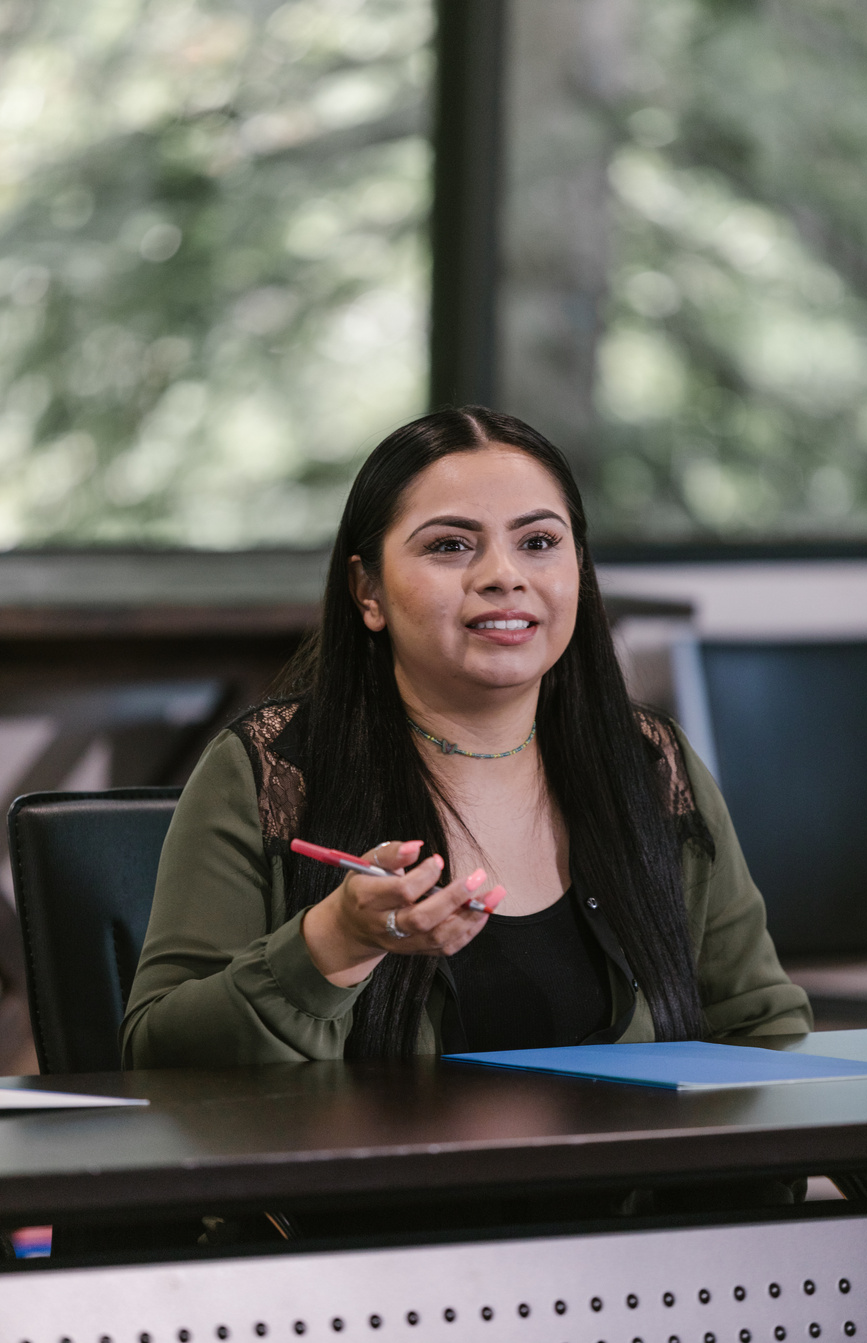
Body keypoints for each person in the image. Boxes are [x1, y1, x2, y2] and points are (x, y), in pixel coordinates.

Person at [122, 406, 811, 1070]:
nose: (503, 575)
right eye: (450, 545)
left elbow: (758, 1025)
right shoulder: (269, 770)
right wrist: (336, 941)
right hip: (373, 1190)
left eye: (538, 542)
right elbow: (159, 1053)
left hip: (631, 1191)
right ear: (368, 590)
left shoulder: (649, 760)